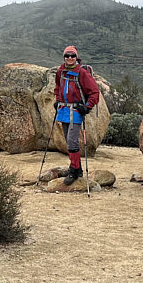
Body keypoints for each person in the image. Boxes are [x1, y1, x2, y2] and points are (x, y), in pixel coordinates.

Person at [53, 45, 100, 185]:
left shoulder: (81, 72)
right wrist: (57, 100)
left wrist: (87, 107)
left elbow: (94, 91)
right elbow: (58, 87)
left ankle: (73, 170)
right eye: (67, 55)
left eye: (72, 56)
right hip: (64, 109)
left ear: (76, 57)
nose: (70, 58)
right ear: (64, 57)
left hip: (76, 111)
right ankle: (77, 168)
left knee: (72, 140)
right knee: (68, 141)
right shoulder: (61, 71)